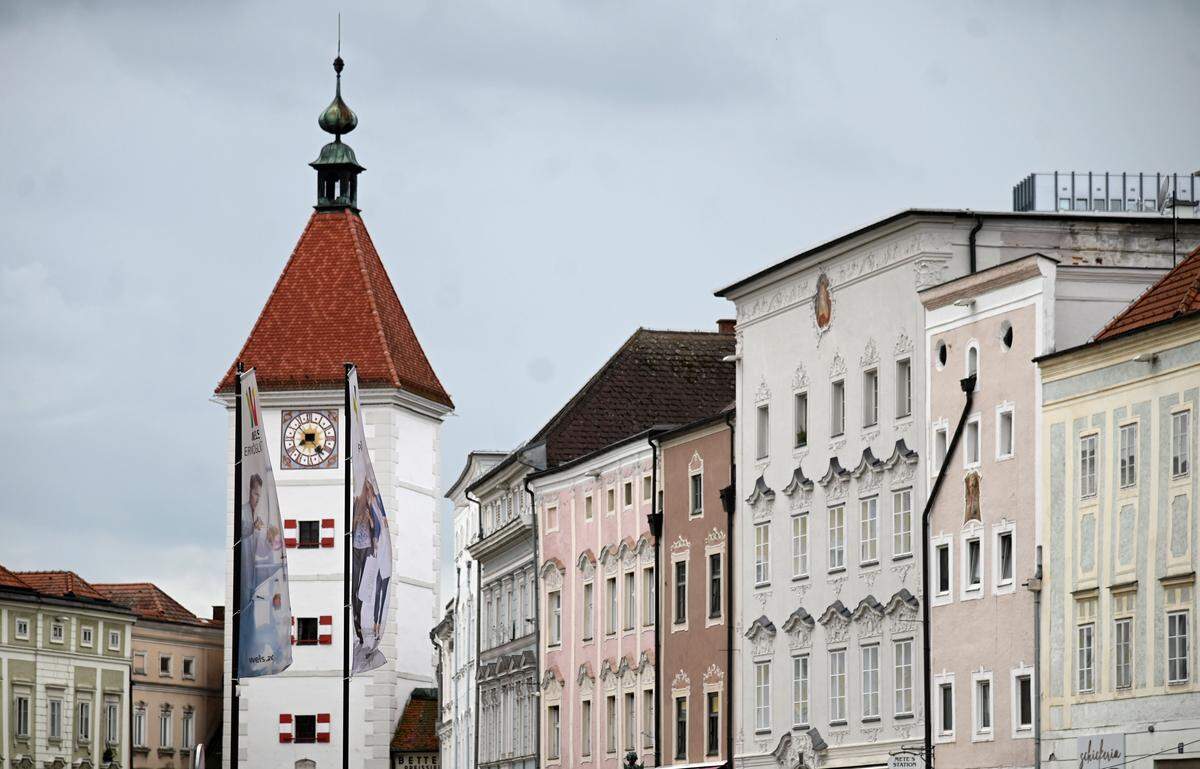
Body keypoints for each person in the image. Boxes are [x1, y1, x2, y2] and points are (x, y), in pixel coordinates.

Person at [351, 477, 377, 645]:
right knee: (354, 584)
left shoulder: (372, 508)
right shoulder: (357, 504)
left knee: (363, 586)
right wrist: (359, 519)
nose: (368, 494)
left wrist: (369, 519)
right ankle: (354, 617)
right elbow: (351, 526)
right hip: (356, 548)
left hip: (367, 548)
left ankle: (360, 620)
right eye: (367, 490)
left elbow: (376, 528)